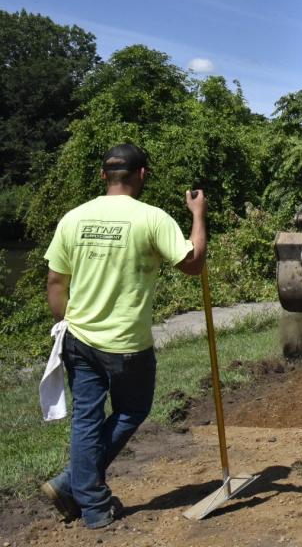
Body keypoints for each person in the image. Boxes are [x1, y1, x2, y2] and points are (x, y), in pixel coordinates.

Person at [40, 143, 207, 529]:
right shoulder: (152, 218)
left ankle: (79, 491)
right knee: (132, 410)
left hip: (78, 339)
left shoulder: (74, 218)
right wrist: (198, 216)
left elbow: (54, 280)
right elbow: (194, 264)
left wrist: (72, 323)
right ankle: (86, 496)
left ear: (104, 175)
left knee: (86, 419)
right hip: (128, 345)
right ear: (142, 175)